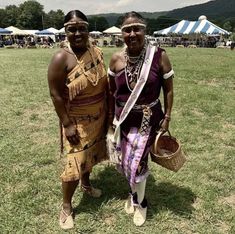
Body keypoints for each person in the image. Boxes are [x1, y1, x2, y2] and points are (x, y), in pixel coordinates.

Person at [108, 11, 174, 226]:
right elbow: (111, 93)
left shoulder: (159, 55)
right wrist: (111, 119)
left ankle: (141, 202)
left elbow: (169, 90)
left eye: (137, 28)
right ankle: (132, 193)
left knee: (139, 162)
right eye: (127, 30)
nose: (133, 33)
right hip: (123, 120)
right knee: (126, 161)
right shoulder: (116, 59)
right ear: (122, 33)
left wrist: (168, 117)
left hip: (149, 119)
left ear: (145, 31)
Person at [47, 10, 108, 230]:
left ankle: (86, 184)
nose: (78, 33)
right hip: (77, 122)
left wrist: (108, 114)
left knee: (90, 155)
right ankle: (66, 206)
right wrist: (67, 124)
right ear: (65, 31)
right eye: (72, 29)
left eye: (82, 27)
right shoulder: (61, 58)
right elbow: (55, 94)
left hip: (98, 115)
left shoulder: (97, 51)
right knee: (75, 162)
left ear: (88, 29)